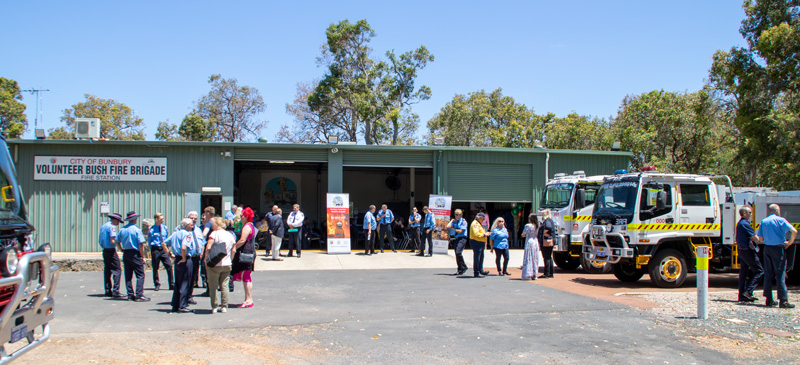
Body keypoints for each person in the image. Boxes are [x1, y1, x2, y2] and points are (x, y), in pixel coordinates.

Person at [754, 204, 798, 308]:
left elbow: (761, 239)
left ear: (769, 211)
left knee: (768, 274)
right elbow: (794, 231)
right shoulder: (781, 220)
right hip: (778, 249)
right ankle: (783, 301)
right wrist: (789, 242)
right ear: (778, 210)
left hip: (767, 248)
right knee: (780, 274)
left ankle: (769, 299)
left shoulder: (764, 221)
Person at [117, 211, 150, 302]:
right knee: (140, 274)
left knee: (128, 275)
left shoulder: (123, 229)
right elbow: (140, 244)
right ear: (134, 219)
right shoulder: (136, 229)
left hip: (126, 252)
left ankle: (130, 294)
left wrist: (121, 249)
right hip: (135, 253)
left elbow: (117, 241)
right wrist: (142, 256)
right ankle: (139, 294)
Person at [205, 217, 236, 314]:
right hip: (227, 264)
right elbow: (233, 250)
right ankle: (224, 306)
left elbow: (208, 247)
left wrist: (206, 259)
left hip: (215, 263)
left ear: (217, 225)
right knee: (224, 286)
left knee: (213, 286)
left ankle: (214, 306)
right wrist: (230, 259)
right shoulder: (230, 235)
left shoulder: (214, 234)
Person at [736, 206, 763, 302]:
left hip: (742, 250)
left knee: (743, 272)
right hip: (747, 250)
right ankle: (748, 291)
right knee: (759, 271)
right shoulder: (745, 224)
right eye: (750, 212)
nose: (751, 214)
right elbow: (755, 238)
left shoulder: (740, 223)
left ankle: (742, 295)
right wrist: (758, 238)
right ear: (744, 214)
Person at [169, 218, 195, 313]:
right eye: (191, 225)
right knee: (185, 282)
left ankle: (175, 304)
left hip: (177, 258)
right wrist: (184, 258)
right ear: (186, 225)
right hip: (185, 259)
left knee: (178, 282)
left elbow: (164, 243)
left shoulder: (175, 233)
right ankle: (182, 304)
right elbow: (184, 247)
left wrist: (169, 254)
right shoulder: (187, 234)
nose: (192, 227)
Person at [232, 207, 256, 308]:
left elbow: (242, 240)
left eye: (242, 216)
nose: (241, 217)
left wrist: (234, 247)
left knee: (246, 277)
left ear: (246, 217)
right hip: (249, 252)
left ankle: (248, 300)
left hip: (246, 253)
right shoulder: (250, 225)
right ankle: (248, 299)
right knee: (246, 277)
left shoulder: (247, 227)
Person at [99, 213, 124, 298]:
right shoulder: (112, 227)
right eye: (118, 221)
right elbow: (112, 241)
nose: (118, 224)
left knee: (107, 270)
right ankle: (116, 291)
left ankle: (107, 290)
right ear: (115, 220)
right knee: (117, 270)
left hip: (105, 250)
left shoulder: (104, 226)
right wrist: (120, 246)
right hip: (111, 250)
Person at [148, 212, 174, 292]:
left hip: (163, 249)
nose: (162, 220)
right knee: (155, 267)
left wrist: (167, 249)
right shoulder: (152, 229)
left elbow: (166, 238)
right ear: (156, 219)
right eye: (161, 218)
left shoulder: (165, 228)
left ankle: (172, 284)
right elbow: (149, 241)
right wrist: (152, 249)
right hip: (155, 249)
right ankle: (156, 284)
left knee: (169, 266)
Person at [187, 211, 206, 302]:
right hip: (187, 257)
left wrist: (201, 253)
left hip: (196, 257)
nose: (193, 220)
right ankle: (183, 296)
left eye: (195, 218)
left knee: (193, 277)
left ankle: (189, 295)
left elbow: (202, 242)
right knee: (185, 277)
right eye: (191, 218)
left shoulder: (198, 230)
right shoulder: (182, 229)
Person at [447, 209, 469, 275]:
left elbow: (460, 231)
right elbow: (448, 226)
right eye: (456, 214)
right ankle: (460, 269)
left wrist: (453, 228)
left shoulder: (463, 221)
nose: (457, 215)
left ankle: (463, 266)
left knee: (458, 252)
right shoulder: (455, 221)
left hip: (462, 238)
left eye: (458, 214)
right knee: (456, 254)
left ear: (461, 215)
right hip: (456, 238)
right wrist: (452, 220)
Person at [470, 212, 490, 278]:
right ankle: (476, 272)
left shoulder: (479, 224)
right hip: (476, 242)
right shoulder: (475, 224)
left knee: (481, 257)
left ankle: (480, 270)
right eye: (483, 219)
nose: (483, 220)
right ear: (480, 217)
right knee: (477, 257)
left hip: (480, 242)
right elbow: (476, 234)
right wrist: (484, 234)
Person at [521, 213, 540, 280]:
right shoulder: (537, 225)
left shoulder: (528, 225)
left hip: (529, 241)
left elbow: (523, 234)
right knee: (535, 257)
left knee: (528, 257)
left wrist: (523, 234)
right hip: (535, 241)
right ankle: (534, 273)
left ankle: (528, 273)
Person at [538, 209, 556, 278]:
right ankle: (551, 273)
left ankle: (547, 273)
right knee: (549, 257)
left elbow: (548, 227)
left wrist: (544, 233)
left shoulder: (547, 221)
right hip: (549, 241)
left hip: (546, 242)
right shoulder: (550, 220)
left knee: (546, 257)